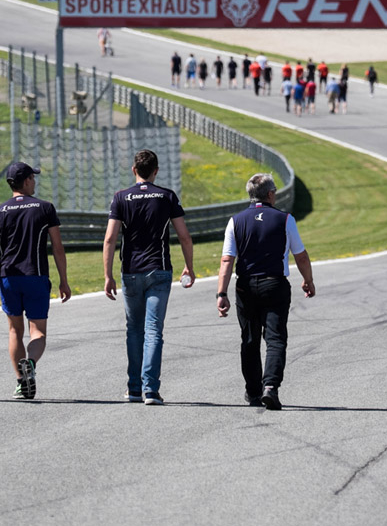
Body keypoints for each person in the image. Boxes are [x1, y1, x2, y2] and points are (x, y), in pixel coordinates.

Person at [216, 173, 315, 410]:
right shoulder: (285, 219)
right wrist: (308, 280)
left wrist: (221, 294)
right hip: (274, 284)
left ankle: (253, 392)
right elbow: (300, 255)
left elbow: (227, 260)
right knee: (275, 337)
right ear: (271, 194)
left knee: (249, 339)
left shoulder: (235, 221)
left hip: (245, 285)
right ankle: (270, 387)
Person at [103, 150, 194, 406]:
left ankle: (133, 389)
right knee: (154, 330)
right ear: (156, 170)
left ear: (134, 170)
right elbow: (184, 236)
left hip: (130, 271)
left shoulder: (121, 197)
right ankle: (150, 390)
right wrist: (189, 266)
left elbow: (110, 238)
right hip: (159, 269)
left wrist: (107, 275)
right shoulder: (167, 196)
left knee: (134, 330)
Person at [0, 162, 72, 400]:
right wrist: (64, 280)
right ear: (27, 180)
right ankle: (30, 362)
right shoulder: (45, 208)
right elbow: (58, 249)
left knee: (14, 331)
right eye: (34, 177)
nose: (36, 181)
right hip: (36, 276)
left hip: (8, 278)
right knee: (38, 333)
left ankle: (21, 382)